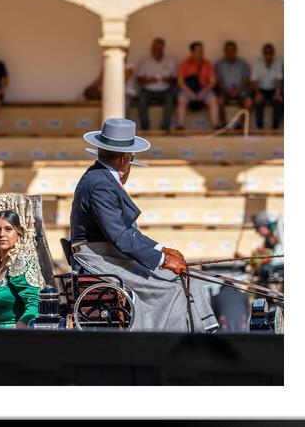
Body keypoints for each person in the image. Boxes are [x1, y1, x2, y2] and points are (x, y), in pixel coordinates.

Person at [69, 118, 219, 332]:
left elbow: (128, 232)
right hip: (98, 257)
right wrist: (162, 260)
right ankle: (169, 344)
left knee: (187, 278)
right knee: (172, 288)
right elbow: (120, 236)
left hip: (108, 252)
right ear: (124, 158)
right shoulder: (101, 183)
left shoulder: (101, 178)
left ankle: (203, 330)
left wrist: (160, 249)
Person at [0, 194, 45, 328]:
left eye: (8, 229)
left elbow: (35, 306)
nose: (2, 234)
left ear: (20, 233)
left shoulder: (21, 263)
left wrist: (16, 332)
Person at [175, 41, 221, 130]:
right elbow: (180, 82)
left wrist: (203, 93)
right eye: (198, 51)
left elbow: (212, 82)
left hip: (204, 90)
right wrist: (190, 93)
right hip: (188, 90)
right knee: (181, 100)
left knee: (213, 100)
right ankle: (180, 127)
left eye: (202, 50)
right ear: (192, 52)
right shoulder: (185, 63)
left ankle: (216, 126)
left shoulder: (207, 63)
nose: (201, 53)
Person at [135, 37, 177, 130]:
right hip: (148, 90)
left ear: (163, 48)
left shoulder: (170, 61)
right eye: (155, 47)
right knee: (142, 99)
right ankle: (145, 128)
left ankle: (165, 128)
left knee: (170, 100)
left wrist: (167, 79)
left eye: (159, 47)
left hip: (165, 90)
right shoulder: (145, 62)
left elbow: (175, 80)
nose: (157, 49)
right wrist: (151, 80)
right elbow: (139, 80)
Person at [214, 41, 252, 128]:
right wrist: (228, 90)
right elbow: (218, 81)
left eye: (232, 50)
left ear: (235, 50)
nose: (230, 52)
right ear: (224, 51)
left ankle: (240, 125)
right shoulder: (219, 64)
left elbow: (245, 80)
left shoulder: (243, 64)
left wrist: (238, 90)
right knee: (219, 101)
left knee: (249, 102)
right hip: (225, 90)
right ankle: (224, 125)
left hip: (240, 90)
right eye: (228, 50)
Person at [250, 43, 284, 129]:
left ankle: (275, 128)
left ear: (273, 53)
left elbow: (279, 80)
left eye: (270, 52)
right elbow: (254, 80)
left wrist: (278, 93)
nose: (268, 54)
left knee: (279, 102)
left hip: (273, 89)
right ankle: (260, 128)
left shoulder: (278, 63)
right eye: (266, 52)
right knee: (258, 102)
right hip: (260, 89)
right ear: (263, 53)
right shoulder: (257, 63)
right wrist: (257, 93)